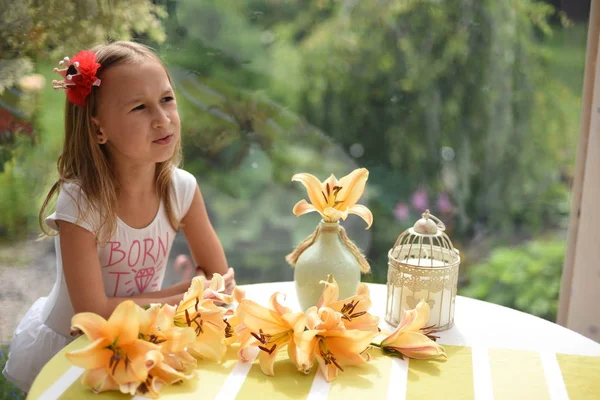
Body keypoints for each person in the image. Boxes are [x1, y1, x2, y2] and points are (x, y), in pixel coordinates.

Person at [2, 41, 236, 393]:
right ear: (98, 129)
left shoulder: (182, 189)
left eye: (167, 99)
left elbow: (219, 282)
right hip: (72, 352)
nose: (162, 118)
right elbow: (92, 315)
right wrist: (182, 293)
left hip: (141, 342)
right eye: (140, 107)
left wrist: (194, 292)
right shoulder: (81, 203)